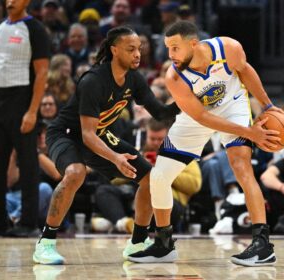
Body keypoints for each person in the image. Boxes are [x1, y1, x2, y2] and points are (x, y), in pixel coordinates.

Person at [127, 21, 283, 266]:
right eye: (168, 48)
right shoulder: (174, 76)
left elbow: (245, 70)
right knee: (158, 177)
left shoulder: (228, 48)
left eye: (175, 48)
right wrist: (248, 132)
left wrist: (268, 106)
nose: (170, 55)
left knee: (241, 168)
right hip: (197, 116)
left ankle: (262, 245)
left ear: (193, 44)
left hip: (233, 106)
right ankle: (164, 244)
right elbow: (202, 116)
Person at [32, 26, 180, 265]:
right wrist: (115, 158)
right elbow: (87, 135)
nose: (137, 54)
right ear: (114, 50)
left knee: (149, 179)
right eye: (130, 49)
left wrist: (190, 100)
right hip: (67, 134)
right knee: (75, 172)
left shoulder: (135, 78)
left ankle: (137, 243)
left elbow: (161, 112)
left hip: (98, 134)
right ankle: (45, 243)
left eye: (139, 49)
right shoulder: (93, 80)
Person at [0, 0, 50, 237]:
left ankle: (28, 223)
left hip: (22, 99)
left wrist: (32, 110)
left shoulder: (35, 29)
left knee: (28, 163)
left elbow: (42, 73)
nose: (10, 2)